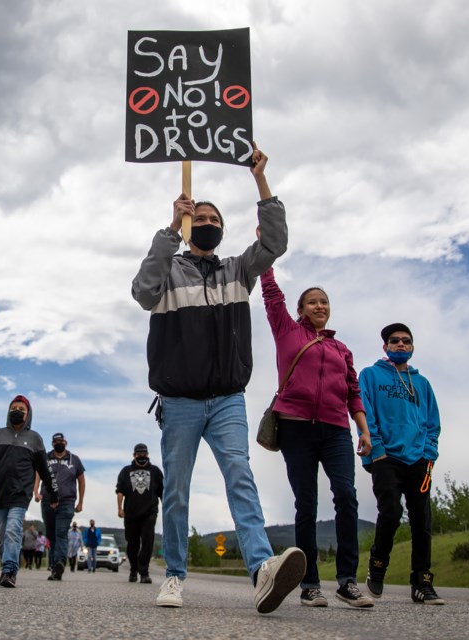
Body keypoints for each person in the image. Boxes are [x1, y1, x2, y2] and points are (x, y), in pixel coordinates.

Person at [131, 143, 306, 613]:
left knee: (240, 477)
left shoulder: (238, 271)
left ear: (222, 230)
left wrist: (260, 179)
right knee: (179, 490)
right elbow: (141, 292)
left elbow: (275, 244)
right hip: (180, 400)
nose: (207, 221)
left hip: (228, 398)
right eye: (199, 216)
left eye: (213, 217)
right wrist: (170, 227)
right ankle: (173, 576)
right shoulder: (168, 271)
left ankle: (262, 570)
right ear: (189, 225)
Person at [260, 265, 374, 608]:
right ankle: (309, 584)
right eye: (312, 302)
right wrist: (266, 261)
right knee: (306, 504)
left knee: (346, 497)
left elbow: (353, 391)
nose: (319, 306)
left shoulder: (342, 350)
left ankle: (347, 582)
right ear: (300, 309)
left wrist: (363, 429)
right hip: (296, 428)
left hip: (337, 429)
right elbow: (271, 297)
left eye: (324, 302)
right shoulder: (287, 331)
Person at [359, 323, 444, 605]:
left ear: (412, 348)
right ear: (385, 347)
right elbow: (364, 411)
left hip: (419, 459)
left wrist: (429, 452)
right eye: (394, 341)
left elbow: (433, 422)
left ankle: (422, 582)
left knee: (422, 519)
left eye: (405, 341)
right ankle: (378, 566)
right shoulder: (370, 376)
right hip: (385, 457)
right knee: (392, 511)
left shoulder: (422, 384)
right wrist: (377, 448)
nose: (400, 345)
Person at [0, 395, 59, 588]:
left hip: (21, 494)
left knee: (13, 529)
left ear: (28, 414)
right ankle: (7, 564)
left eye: (22, 409)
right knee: (1, 533)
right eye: (14, 408)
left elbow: (44, 470)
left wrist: (53, 494)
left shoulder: (35, 439)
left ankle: (9, 571)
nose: (17, 411)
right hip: (0, 493)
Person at [34, 432, 86, 581]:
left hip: (66, 501)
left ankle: (59, 562)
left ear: (66, 443)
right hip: (47, 500)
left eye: (61, 441)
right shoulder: (45, 458)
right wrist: (36, 492)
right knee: (51, 535)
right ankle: (54, 567)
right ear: (52, 444)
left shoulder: (74, 460)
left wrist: (80, 502)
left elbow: (81, 480)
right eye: (56, 441)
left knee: (61, 532)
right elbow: (38, 474)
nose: (59, 443)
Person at [116, 443, 163, 584]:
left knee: (148, 542)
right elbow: (120, 491)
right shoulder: (126, 471)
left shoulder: (155, 471)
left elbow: (162, 492)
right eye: (139, 454)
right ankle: (133, 570)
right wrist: (120, 508)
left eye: (144, 453)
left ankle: (144, 572)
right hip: (131, 513)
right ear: (134, 455)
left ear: (147, 454)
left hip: (150, 512)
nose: (141, 456)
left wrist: (166, 508)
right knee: (132, 544)